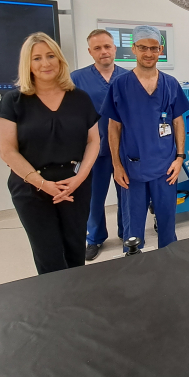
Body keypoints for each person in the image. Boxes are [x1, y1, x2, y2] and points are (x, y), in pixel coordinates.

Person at [0, 32, 100, 274]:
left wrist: (79, 178)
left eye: (50, 56)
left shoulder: (80, 98)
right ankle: (55, 306)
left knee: (75, 249)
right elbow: (7, 151)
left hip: (75, 184)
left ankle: (76, 302)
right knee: (49, 254)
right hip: (31, 187)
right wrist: (44, 184)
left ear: (60, 60)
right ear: (28, 65)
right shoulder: (13, 101)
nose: (45, 63)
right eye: (37, 58)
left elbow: (94, 141)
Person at [102, 25, 189, 251]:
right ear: (134, 49)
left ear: (160, 50)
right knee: (133, 231)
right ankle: (135, 273)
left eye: (153, 48)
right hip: (133, 169)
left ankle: (168, 267)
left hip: (165, 168)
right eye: (143, 47)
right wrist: (116, 165)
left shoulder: (170, 84)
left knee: (168, 226)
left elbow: (178, 122)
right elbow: (114, 127)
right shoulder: (120, 85)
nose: (148, 53)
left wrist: (179, 157)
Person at [71, 29, 129, 261]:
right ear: (90, 52)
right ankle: (94, 238)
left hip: (125, 148)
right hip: (93, 150)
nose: (103, 51)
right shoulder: (76, 79)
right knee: (94, 197)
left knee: (126, 193)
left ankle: (127, 233)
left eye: (107, 46)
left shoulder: (128, 77)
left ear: (115, 48)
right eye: (97, 48)